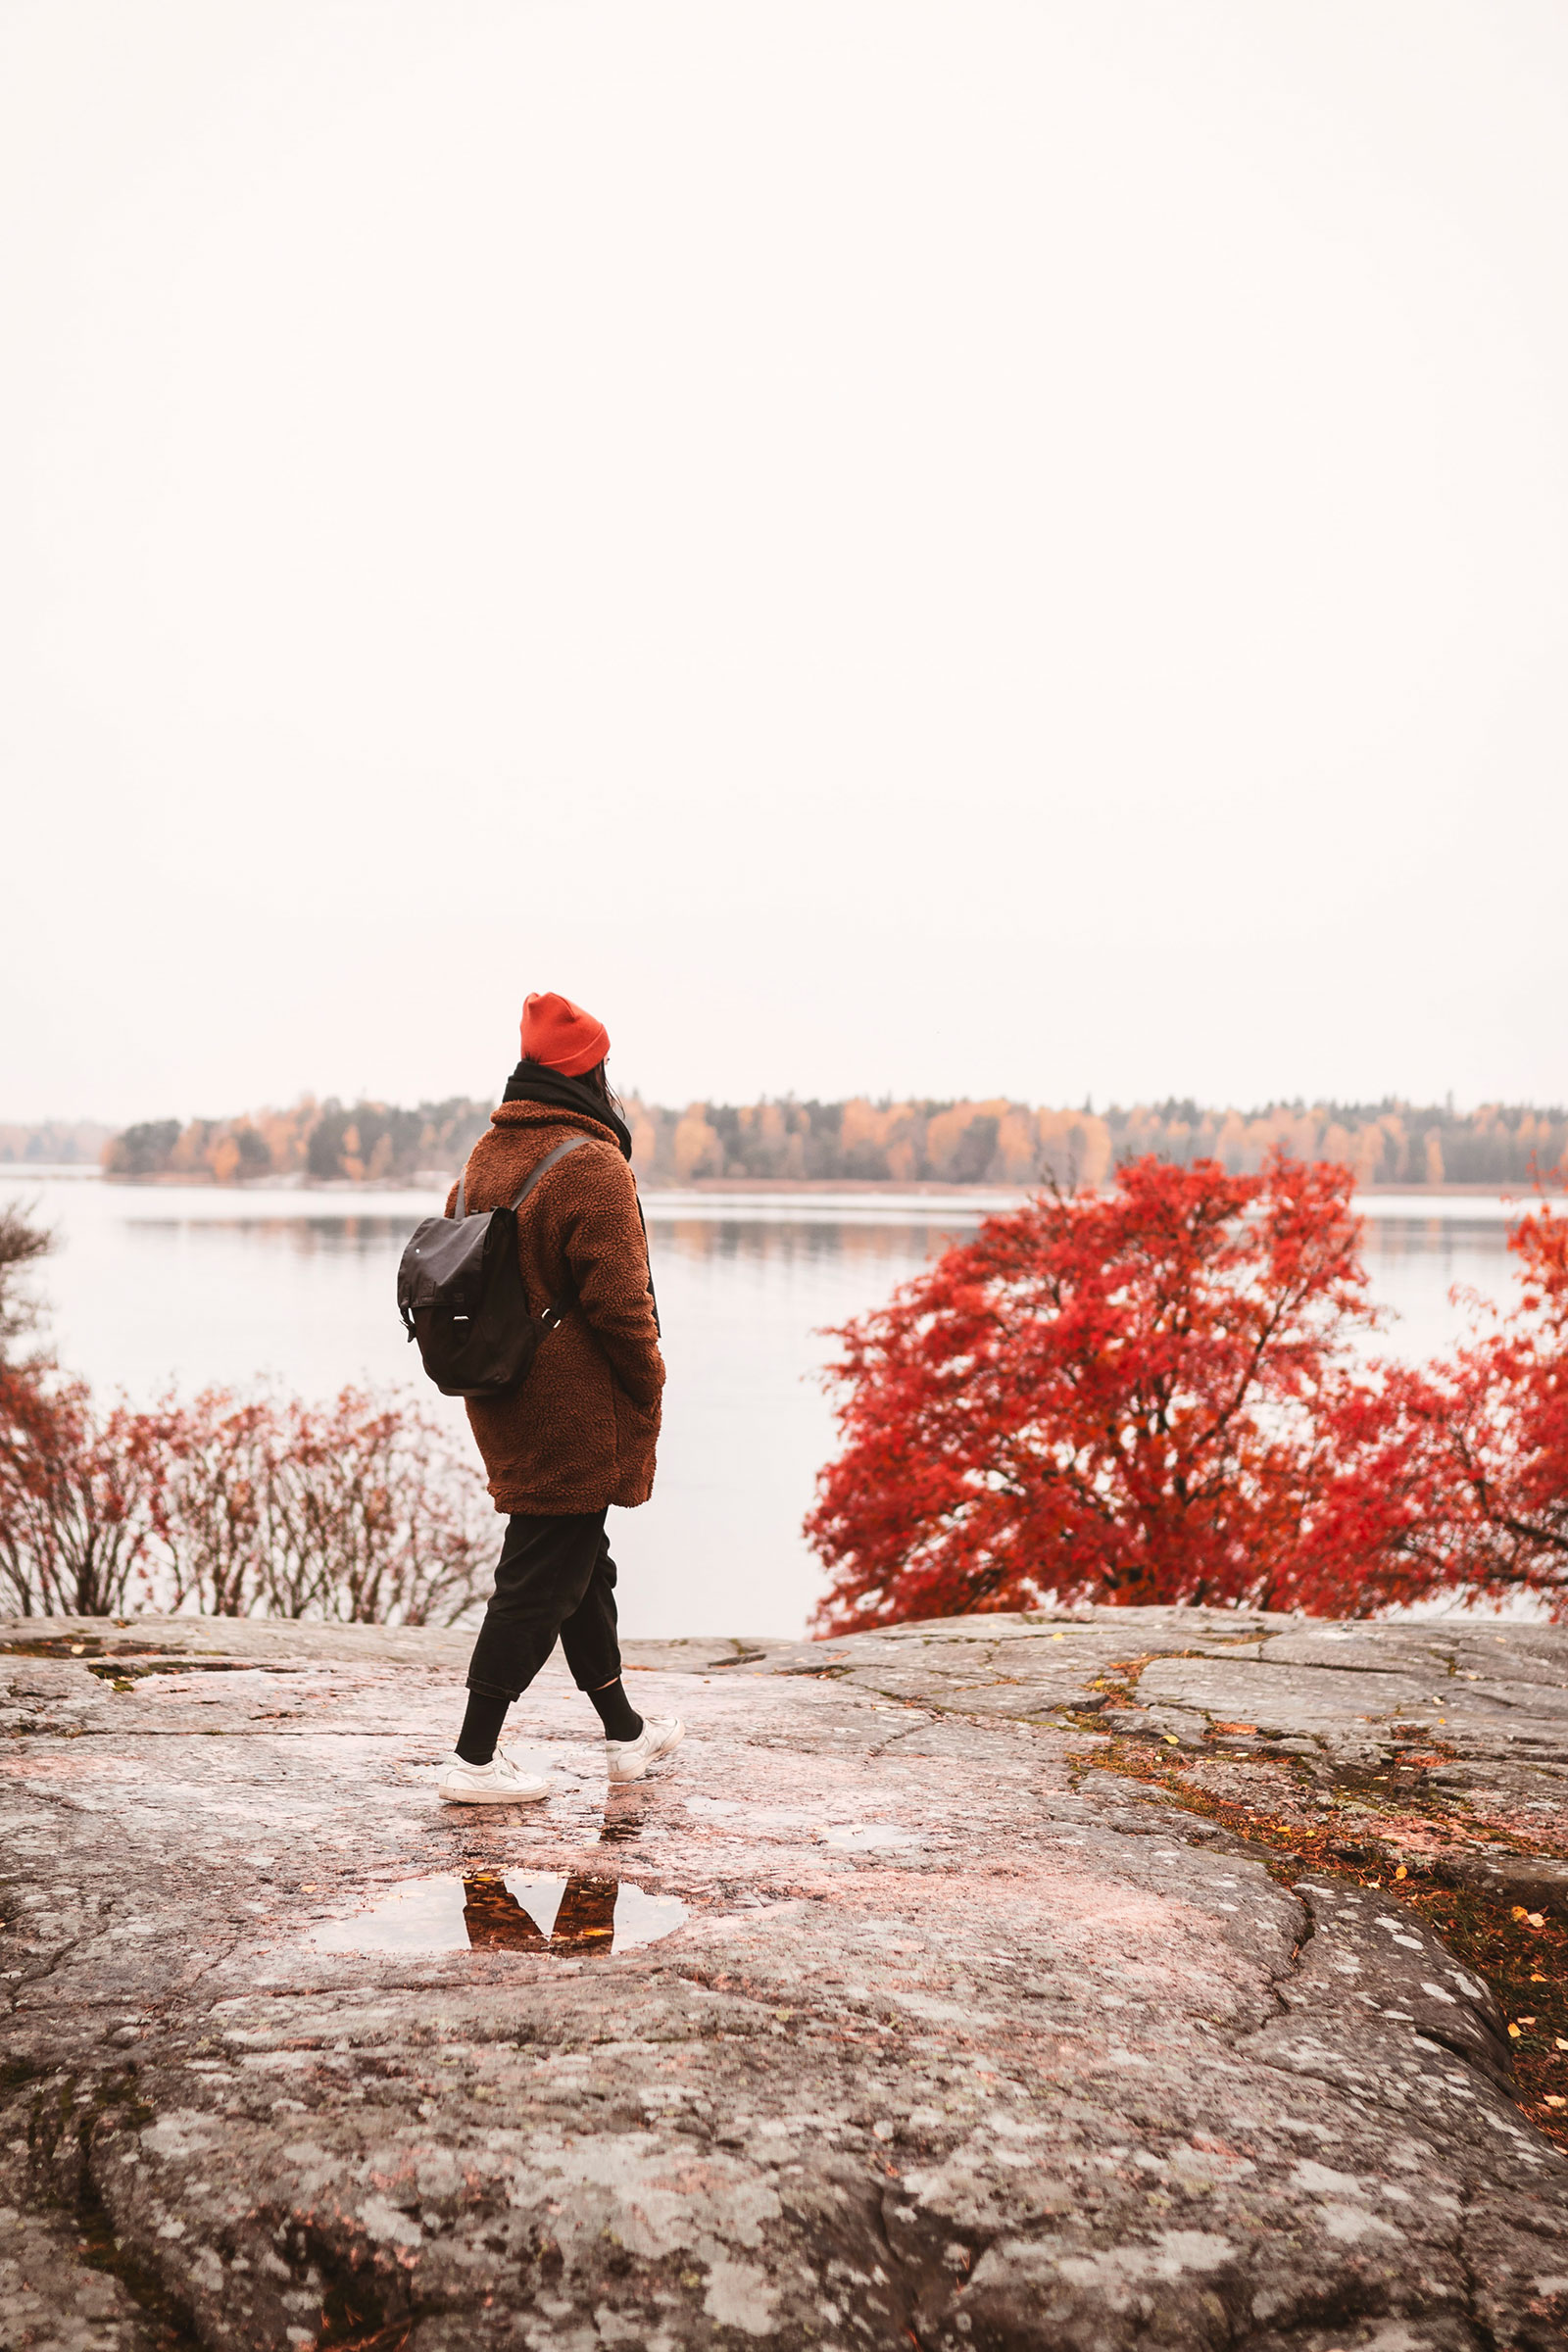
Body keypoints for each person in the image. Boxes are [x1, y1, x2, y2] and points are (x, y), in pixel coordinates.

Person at [435, 990, 683, 1804]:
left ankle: (627, 1734)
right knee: (540, 1575)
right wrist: (649, 1381)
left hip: (502, 1392)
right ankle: (473, 1759)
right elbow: (622, 1303)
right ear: (593, 1073)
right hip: (574, 1409)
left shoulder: (485, 1155)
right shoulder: (593, 1164)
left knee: (581, 1562)